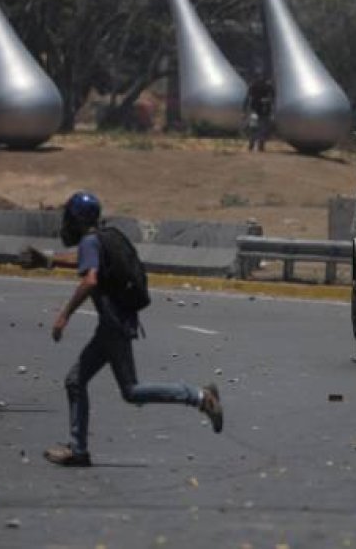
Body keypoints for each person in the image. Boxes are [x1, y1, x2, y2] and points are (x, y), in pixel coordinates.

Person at [41, 192, 224, 467]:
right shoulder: (106, 236)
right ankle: (78, 450)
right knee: (75, 381)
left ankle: (200, 397)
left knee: (131, 390)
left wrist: (64, 315)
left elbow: (90, 279)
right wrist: (50, 260)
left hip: (113, 325)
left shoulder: (91, 242)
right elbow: (83, 260)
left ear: (76, 219)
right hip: (117, 322)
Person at [248, 76, 274, 151]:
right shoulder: (268, 87)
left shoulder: (253, 86)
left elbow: (249, 98)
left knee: (254, 128)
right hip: (263, 110)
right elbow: (272, 98)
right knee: (261, 128)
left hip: (256, 110)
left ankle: (253, 144)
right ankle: (259, 145)